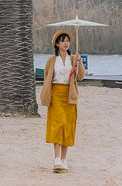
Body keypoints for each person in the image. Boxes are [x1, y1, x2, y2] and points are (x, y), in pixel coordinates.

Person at [40, 29, 86, 173]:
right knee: (56, 125)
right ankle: (56, 158)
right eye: (63, 41)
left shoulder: (73, 59)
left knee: (67, 125)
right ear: (57, 44)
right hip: (56, 95)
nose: (66, 43)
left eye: (67, 41)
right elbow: (47, 77)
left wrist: (79, 62)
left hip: (69, 95)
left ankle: (64, 159)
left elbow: (81, 77)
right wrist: (47, 95)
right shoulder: (51, 60)